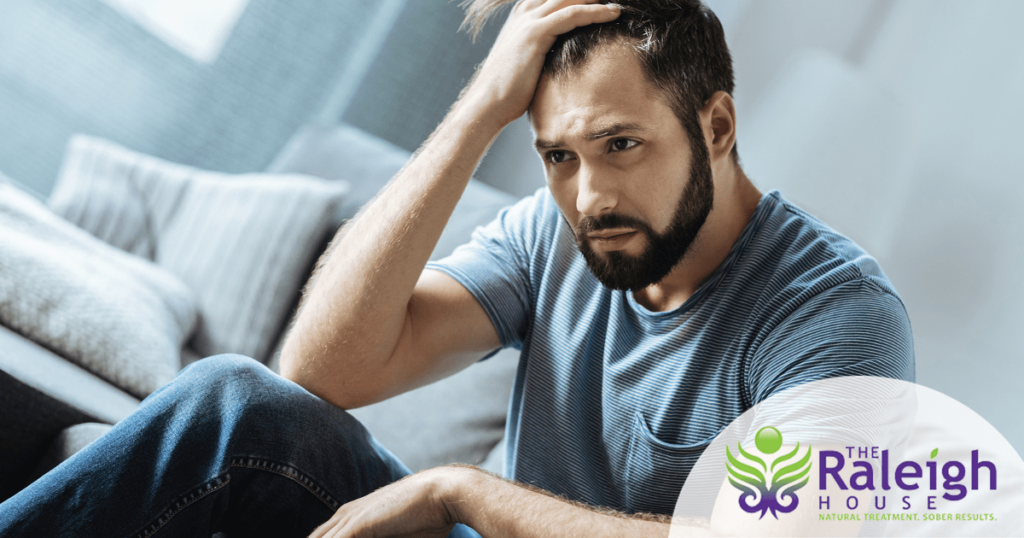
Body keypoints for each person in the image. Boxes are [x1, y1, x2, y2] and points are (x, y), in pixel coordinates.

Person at [0, 0, 914, 536]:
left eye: (621, 144)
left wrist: (458, 487)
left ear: (716, 128)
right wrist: (479, 109)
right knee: (240, 407)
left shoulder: (835, 316)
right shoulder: (555, 231)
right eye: (559, 155)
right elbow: (325, 372)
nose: (589, 193)